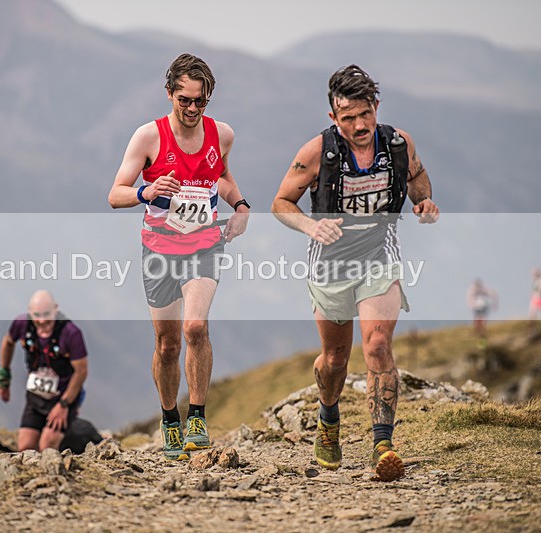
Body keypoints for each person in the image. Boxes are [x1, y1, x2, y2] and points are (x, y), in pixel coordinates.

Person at [271, 65, 439, 481]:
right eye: (348, 118)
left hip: (379, 253)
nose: (360, 125)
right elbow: (281, 203)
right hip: (330, 262)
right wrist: (311, 226)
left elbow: (417, 177)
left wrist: (423, 202)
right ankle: (328, 419)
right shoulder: (316, 152)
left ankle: (383, 444)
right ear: (334, 117)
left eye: (366, 114)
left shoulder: (398, 144)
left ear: (376, 106)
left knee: (378, 346)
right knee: (335, 359)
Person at [108, 53, 250, 460]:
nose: (191, 109)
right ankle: (170, 418)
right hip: (159, 250)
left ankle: (198, 418)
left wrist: (240, 206)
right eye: (184, 100)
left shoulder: (222, 134)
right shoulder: (147, 137)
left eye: (200, 101)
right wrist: (146, 192)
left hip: (204, 243)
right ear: (169, 93)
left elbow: (221, 177)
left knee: (195, 328)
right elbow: (115, 194)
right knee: (167, 344)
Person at [0, 290, 88, 452]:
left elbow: (81, 371)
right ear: (29, 312)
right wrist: (4, 378)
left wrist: (64, 405)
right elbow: (8, 342)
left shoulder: (71, 333)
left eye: (46, 314)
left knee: (47, 446)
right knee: (25, 448)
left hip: (63, 397)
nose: (42, 320)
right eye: (36, 315)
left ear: (56, 309)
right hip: (35, 397)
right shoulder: (22, 324)